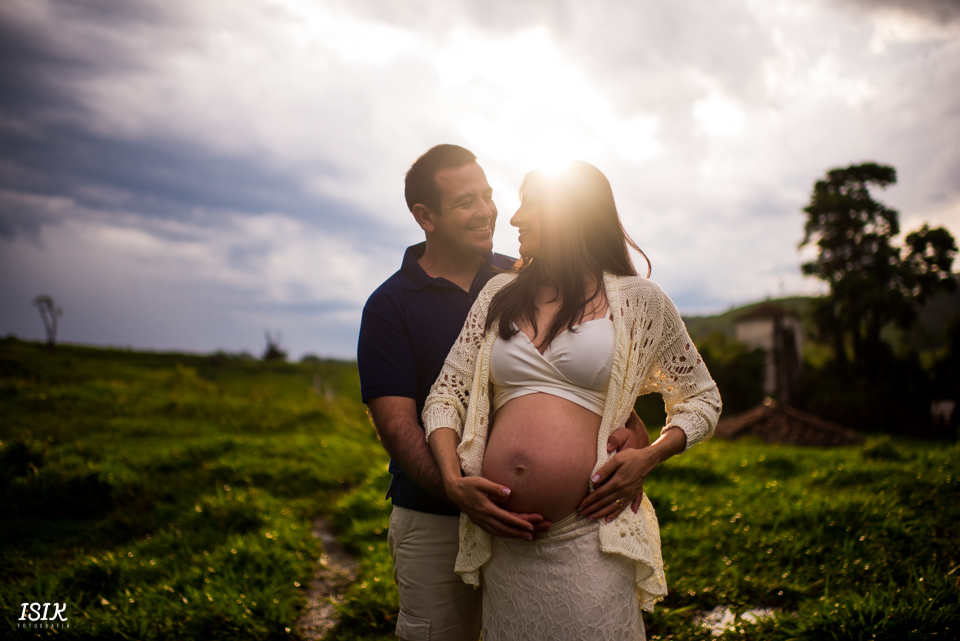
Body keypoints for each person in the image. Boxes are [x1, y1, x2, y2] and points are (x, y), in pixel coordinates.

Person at [357, 146, 649, 641]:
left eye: (488, 195)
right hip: (435, 519)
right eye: (466, 201)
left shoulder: (522, 278)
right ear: (424, 216)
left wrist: (635, 445)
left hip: (534, 532)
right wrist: (458, 489)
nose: (488, 211)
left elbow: (588, 382)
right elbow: (397, 424)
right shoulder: (390, 305)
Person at [423, 161, 722, 641]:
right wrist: (453, 479)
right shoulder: (498, 294)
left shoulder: (638, 301)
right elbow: (446, 395)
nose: (515, 219)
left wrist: (647, 457)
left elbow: (701, 399)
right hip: (507, 548)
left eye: (531, 204)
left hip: (589, 538)